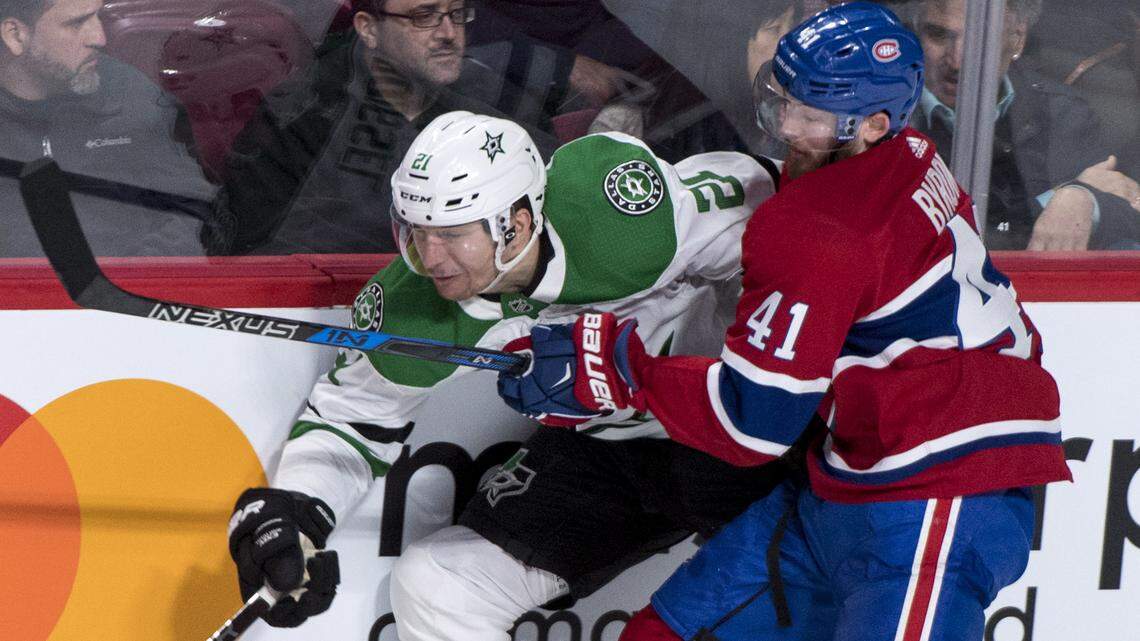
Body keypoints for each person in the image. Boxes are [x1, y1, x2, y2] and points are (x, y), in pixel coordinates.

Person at [498, 4, 1073, 640]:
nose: (785, 122)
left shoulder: (819, 230)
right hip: (848, 478)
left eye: (811, 112)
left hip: (941, 493)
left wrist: (620, 370)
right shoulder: (914, 152)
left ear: (874, 125)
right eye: (783, 95)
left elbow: (752, 424)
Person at [225, 110, 788, 637]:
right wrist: (297, 511)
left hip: (735, 431)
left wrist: (767, 381)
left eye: (452, 233)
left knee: (827, 576)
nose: (431, 257)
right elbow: (354, 420)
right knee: (440, 584)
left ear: (517, 225)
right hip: (605, 453)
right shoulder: (414, 308)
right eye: (416, 232)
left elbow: (785, 220)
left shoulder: (617, 212)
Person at [206, 0, 559, 255]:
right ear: (368, 29)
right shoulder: (301, 117)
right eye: (425, 16)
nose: (450, 34)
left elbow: (555, 199)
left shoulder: (496, 102)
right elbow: (254, 257)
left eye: (456, 14)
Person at [908, 0, 1140, 250]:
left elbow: (1128, 217)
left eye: (981, 36)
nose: (956, 61)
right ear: (913, 33)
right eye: (938, 35)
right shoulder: (882, 119)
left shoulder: (1061, 114)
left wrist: (1085, 201)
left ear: (1017, 39)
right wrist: (1057, 201)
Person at [0, 0, 217, 257]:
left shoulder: (126, 93)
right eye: (77, 23)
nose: (100, 38)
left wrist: (133, 282)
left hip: (129, 284)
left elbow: (195, 209)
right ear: (15, 35)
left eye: (98, 17)